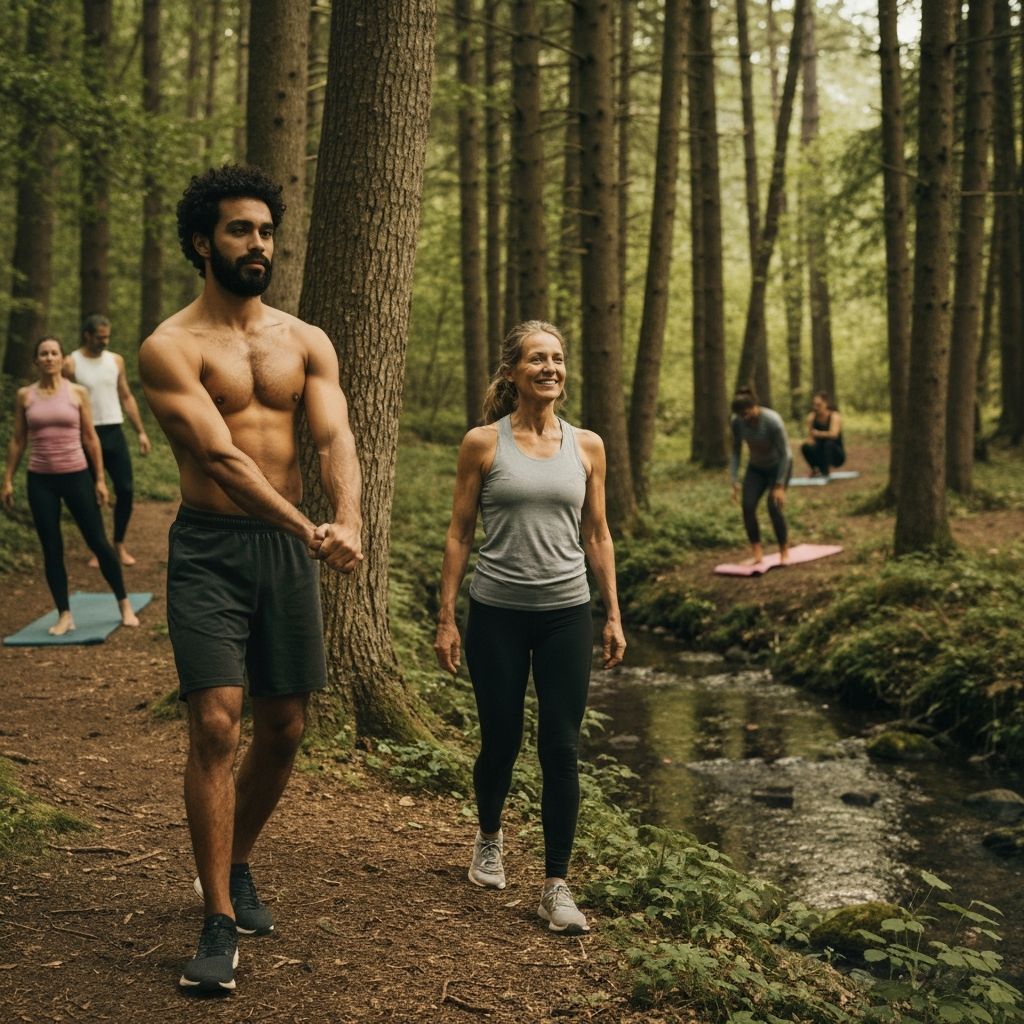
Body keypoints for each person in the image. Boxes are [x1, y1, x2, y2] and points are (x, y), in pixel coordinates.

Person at [139, 165, 362, 994]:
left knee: (287, 726)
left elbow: (335, 437)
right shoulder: (170, 347)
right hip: (211, 548)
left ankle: (234, 862)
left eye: (266, 230)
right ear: (203, 242)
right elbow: (222, 458)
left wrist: (350, 517)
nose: (257, 243)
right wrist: (308, 527)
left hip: (286, 554)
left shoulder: (305, 340)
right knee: (215, 725)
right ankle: (217, 921)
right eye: (240, 229)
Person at [434, 320, 626, 937]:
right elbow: (460, 532)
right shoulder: (483, 444)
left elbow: (598, 534)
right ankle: (489, 839)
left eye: (558, 359)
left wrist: (612, 613)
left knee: (561, 748)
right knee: (501, 740)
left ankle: (555, 885)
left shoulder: (588, 446)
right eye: (537, 359)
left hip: (567, 613)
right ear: (513, 372)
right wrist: (446, 617)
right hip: (497, 614)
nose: (550, 368)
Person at [2, 337, 140, 635]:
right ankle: (64, 614)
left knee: (98, 542)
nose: (49, 357)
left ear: (62, 359)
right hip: (40, 480)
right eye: (43, 353)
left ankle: (124, 603)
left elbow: (90, 438)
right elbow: (18, 439)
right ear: (36, 361)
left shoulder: (77, 392)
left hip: (77, 476)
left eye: (54, 353)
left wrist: (100, 479)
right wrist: (8, 479)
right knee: (51, 548)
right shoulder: (25, 396)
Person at [64, 315, 152, 566]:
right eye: (100, 337)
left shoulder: (115, 361)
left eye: (107, 337)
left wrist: (141, 432)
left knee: (125, 489)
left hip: (114, 432)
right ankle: (98, 548)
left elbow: (126, 396)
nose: (105, 341)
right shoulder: (71, 363)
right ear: (87, 335)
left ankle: (119, 543)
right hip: (84, 434)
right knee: (91, 494)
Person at [730, 386, 793, 566]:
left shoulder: (772, 421)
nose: (745, 418)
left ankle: (784, 552)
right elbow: (736, 451)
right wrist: (734, 479)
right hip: (756, 468)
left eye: (747, 413)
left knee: (773, 506)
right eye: (741, 415)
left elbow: (786, 454)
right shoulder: (737, 422)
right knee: (748, 506)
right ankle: (757, 554)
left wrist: (780, 485)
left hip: (778, 466)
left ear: (755, 406)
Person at [800, 391, 845, 479]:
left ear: (825, 403)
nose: (816, 407)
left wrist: (818, 433)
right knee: (805, 446)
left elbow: (834, 434)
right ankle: (815, 470)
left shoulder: (834, 416)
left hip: (836, 454)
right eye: (814, 405)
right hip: (820, 451)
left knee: (828, 444)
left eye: (818, 405)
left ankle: (826, 470)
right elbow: (810, 437)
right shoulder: (811, 417)